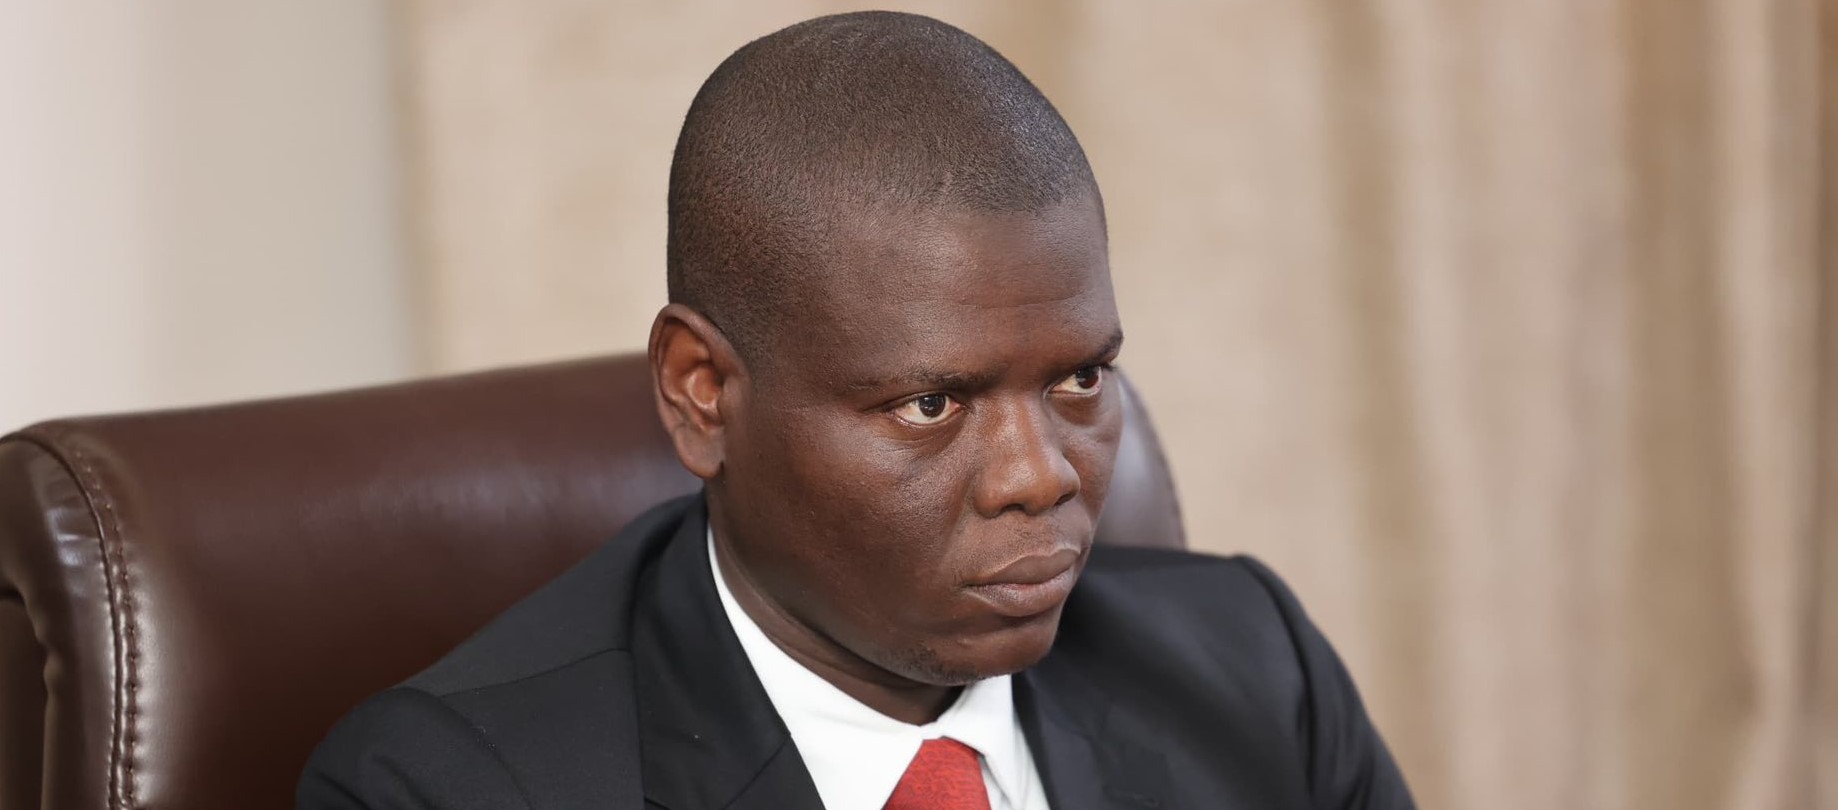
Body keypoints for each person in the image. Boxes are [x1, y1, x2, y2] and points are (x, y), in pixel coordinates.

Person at [297, 11, 1414, 810]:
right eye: (931, 403)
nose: (1043, 474)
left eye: (1077, 379)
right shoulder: (449, 786)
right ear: (702, 393)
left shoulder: (1255, 672)